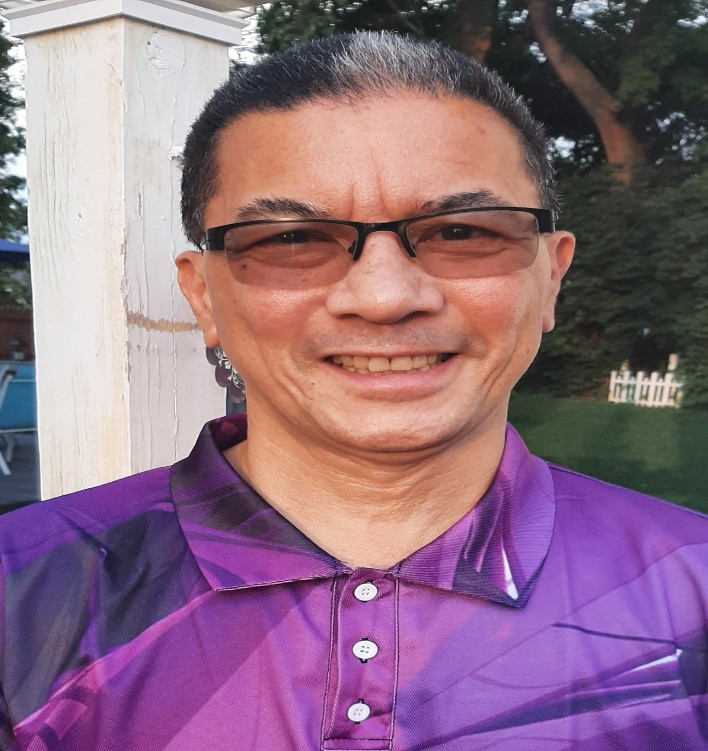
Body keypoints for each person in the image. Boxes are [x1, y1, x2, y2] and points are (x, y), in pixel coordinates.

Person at [0, 32, 705, 751]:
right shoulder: (18, 594)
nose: (384, 296)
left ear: (550, 277)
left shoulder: (694, 595)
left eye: (461, 231)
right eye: (291, 238)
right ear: (203, 295)